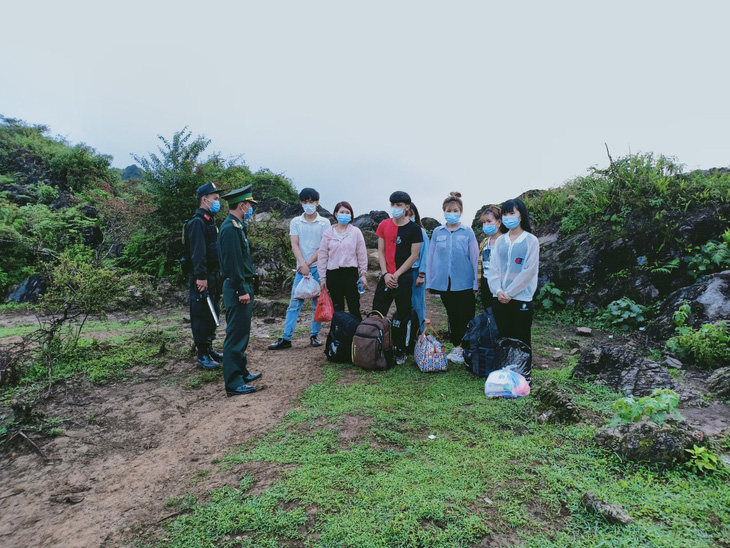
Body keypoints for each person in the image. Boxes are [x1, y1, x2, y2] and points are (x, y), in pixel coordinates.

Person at [269, 188, 330, 350]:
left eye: (311, 202)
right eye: (305, 202)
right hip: (301, 270)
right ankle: (286, 337)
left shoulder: (324, 222)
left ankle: (314, 335)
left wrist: (308, 263)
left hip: (318, 268)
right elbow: (294, 243)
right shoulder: (296, 221)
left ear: (317, 202)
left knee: (317, 304)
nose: (308, 205)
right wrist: (302, 264)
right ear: (301, 203)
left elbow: (323, 246)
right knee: (294, 304)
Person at [487, 198, 540, 383]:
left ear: (521, 215)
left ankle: (523, 376)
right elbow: (493, 269)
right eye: (506, 214)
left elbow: (529, 271)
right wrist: (498, 290)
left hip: (521, 298)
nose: (509, 217)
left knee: (521, 337)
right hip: (499, 297)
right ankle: (505, 373)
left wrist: (510, 292)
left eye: (512, 213)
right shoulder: (500, 241)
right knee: (504, 335)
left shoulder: (531, 241)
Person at [217, 185, 262, 396]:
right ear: (242, 205)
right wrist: (241, 289)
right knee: (235, 336)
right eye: (250, 205)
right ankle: (234, 383)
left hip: (241, 285)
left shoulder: (237, 226)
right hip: (237, 287)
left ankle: (241, 372)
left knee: (242, 332)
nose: (251, 209)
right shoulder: (230, 229)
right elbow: (233, 264)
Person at [426, 192, 479, 365]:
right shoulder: (437, 232)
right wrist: (430, 281)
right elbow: (431, 257)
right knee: (452, 315)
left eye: (455, 210)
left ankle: (465, 347)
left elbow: (474, 257)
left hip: (464, 282)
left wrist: (475, 283)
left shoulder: (467, 232)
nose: (452, 212)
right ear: (444, 211)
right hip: (444, 283)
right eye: (449, 210)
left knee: (466, 315)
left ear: (461, 212)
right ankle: (457, 346)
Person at [372, 191, 423, 365]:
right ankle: (375, 345)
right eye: (393, 205)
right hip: (386, 276)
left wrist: (397, 274)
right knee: (377, 312)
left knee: (402, 315)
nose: (395, 208)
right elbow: (381, 251)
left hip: (403, 277)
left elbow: (414, 255)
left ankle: (400, 349)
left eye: (399, 205)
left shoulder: (415, 229)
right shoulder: (384, 225)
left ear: (407, 207)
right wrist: (386, 274)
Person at [183, 182, 222, 370]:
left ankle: (209, 348)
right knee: (201, 314)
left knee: (212, 311)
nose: (217, 201)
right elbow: (198, 253)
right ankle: (202, 355)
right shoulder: (197, 222)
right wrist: (200, 276)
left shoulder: (209, 220)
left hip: (213, 275)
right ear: (204, 199)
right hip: (202, 277)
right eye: (215, 199)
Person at [318, 201, 368, 321]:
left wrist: (363, 273)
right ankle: (339, 336)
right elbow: (323, 255)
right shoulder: (328, 233)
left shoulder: (355, 232)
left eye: (347, 212)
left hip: (350, 273)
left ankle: (356, 335)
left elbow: (361, 253)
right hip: (333, 273)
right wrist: (322, 278)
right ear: (336, 214)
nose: (344, 214)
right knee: (337, 307)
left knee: (354, 306)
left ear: (351, 215)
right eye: (342, 212)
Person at [478, 206, 507, 311]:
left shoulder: (506, 241)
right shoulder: (484, 242)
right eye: (484, 222)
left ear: (498, 222)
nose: (486, 225)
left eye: (489, 221)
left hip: (501, 283)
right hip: (486, 282)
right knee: (489, 313)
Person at [406, 203, 429, 331]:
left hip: (416, 272)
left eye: (411, 215)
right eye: (406, 215)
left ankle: (420, 334)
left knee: (418, 304)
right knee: (405, 303)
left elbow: (426, 255)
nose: (409, 218)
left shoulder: (421, 232)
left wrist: (422, 274)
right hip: (404, 272)